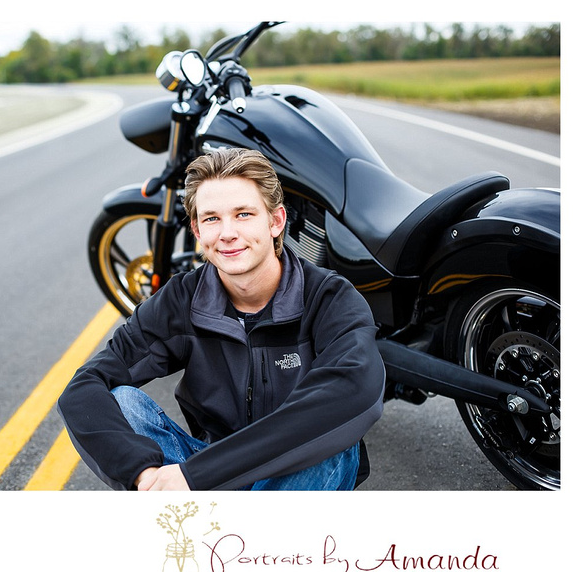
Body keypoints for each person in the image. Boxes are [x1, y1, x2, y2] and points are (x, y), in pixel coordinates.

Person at [57, 148, 384, 491]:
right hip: (209, 464)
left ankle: (231, 537)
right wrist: (144, 475)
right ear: (197, 231)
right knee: (122, 401)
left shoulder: (329, 298)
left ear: (276, 221)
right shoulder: (182, 299)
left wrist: (196, 475)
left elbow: (353, 392)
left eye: (243, 214)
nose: (227, 233)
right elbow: (84, 387)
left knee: (330, 438)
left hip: (289, 468)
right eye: (212, 218)